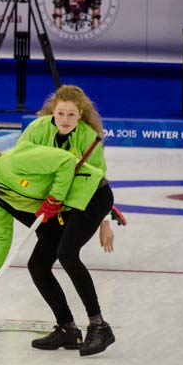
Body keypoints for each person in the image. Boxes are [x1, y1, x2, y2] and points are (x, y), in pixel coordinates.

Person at [0, 132, 115, 356]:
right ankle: (67, 328)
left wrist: (55, 197)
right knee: (38, 265)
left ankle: (99, 326)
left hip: (92, 194)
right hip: (65, 207)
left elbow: (65, 162)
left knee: (67, 253)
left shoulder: (13, 162)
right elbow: (2, 234)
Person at [18, 85, 115, 252]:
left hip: (73, 191)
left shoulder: (89, 137)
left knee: (63, 244)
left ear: (80, 114)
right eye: (60, 113)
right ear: (53, 110)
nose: (65, 120)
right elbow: (18, 161)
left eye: (71, 115)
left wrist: (104, 220)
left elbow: (98, 183)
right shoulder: (36, 129)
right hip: (41, 188)